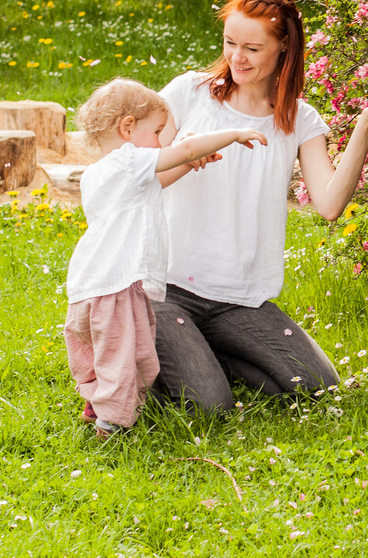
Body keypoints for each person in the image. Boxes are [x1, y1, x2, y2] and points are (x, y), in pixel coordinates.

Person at [153, 0, 368, 413]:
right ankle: (163, 351)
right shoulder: (189, 93)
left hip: (238, 298)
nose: (236, 57)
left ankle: (206, 349)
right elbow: (140, 179)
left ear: (284, 47)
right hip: (166, 288)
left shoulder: (298, 118)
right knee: (209, 407)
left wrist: (366, 123)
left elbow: (330, 204)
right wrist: (186, 158)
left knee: (317, 386)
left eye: (252, 48)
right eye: (229, 42)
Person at [64, 77, 268, 436]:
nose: (161, 142)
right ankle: (113, 425)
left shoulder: (100, 173)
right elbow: (182, 151)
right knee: (124, 357)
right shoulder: (129, 161)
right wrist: (233, 133)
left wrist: (190, 164)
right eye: (157, 132)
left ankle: (97, 403)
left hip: (90, 287)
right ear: (127, 128)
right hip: (116, 286)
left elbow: (161, 178)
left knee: (115, 352)